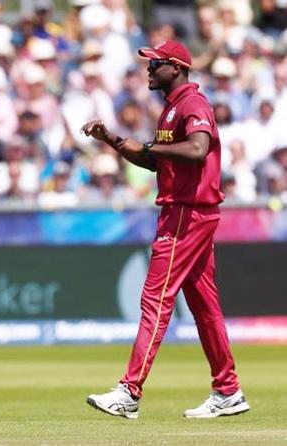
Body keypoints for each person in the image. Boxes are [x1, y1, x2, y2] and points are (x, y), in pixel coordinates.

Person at [80, 40, 250, 419]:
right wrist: (113, 140)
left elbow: (197, 150)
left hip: (186, 214)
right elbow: (155, 161)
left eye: (155, 63)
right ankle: (228, 390)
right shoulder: (171, 110)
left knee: (155, 300)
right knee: (204, 306)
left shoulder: (193, 104)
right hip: (189, 212)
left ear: (176, 68)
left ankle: (129, 392)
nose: (149, 70)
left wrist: (153, 147)